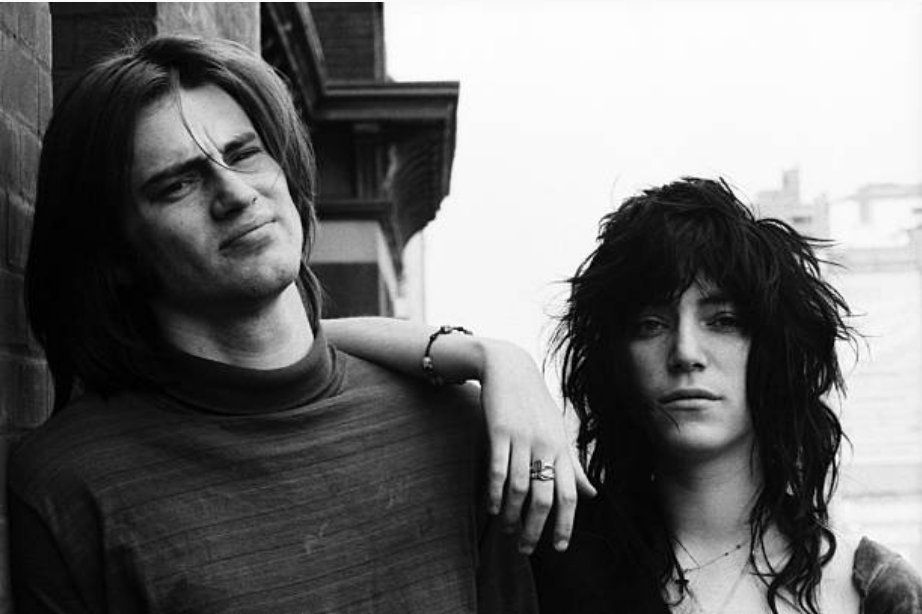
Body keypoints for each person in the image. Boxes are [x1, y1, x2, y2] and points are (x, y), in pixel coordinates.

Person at [8, 35, 586, 613]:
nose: (235, 194)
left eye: (244, 153)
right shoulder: (71, 484)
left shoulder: (456, 427)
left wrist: (499, 358)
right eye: (177, 183)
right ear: (118, 249)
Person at [332, 178, 922, 613]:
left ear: (774, 351)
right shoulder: (554, 546)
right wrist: (493, 358)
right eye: (650, 324)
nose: (686, 351)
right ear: (616, 359)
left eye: (724, 320)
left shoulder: (869, 587)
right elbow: (319, 344)